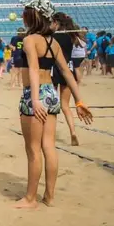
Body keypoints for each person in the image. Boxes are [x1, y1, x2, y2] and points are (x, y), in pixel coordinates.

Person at [16, 0, 92, 209]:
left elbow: (32, 68)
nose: (23, 14)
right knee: (49, 146)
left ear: (33, 16)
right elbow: (67, 73)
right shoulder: (54, 42)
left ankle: (30, 199)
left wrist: (35, 99)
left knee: (33, 150)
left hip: (36, 94)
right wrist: (79, 100)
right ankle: (49, 197)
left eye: (26, 11)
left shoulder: (31, 40)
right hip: (51, 93)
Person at [51, 12, 81, 146]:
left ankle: (50, 134)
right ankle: (73, 132)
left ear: (56, 23)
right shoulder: (71, 36)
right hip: (68, 69)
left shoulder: (52, 36)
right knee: (65, 106)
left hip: (55, 69)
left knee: (51, 105)